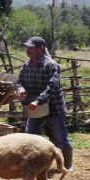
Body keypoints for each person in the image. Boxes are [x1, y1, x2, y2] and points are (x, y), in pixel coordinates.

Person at [17, 36, 73, 171]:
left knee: (60, 137)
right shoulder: (26, 66)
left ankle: (67, 165)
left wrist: (38, 100)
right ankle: (32, 164)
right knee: (30, 136)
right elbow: (19, 81)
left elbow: (52, 86)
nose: (28, 50)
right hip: (36, 107)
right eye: (27, 47)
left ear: (41, 48)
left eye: (31, 47)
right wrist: (20, 88)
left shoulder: (51, 65)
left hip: (53, 107)